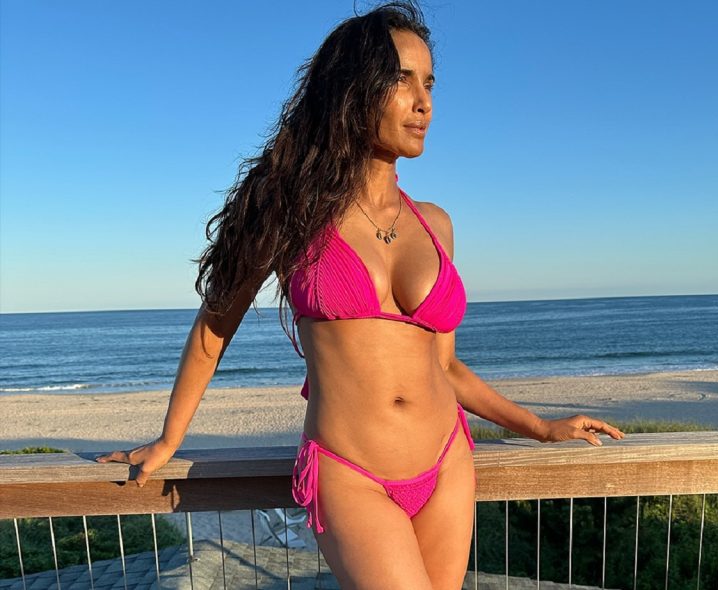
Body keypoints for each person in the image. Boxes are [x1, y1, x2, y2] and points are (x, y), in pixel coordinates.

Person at [96, 2, 625, 588]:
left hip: (447, 459)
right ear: (352, 89)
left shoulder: (436, 224)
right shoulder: (289, 209)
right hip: (351, 474)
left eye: (430, 83)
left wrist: (539, 427)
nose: (424, 102)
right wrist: (171, 437)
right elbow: (214, 327)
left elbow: (446, 366)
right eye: (403, 80)